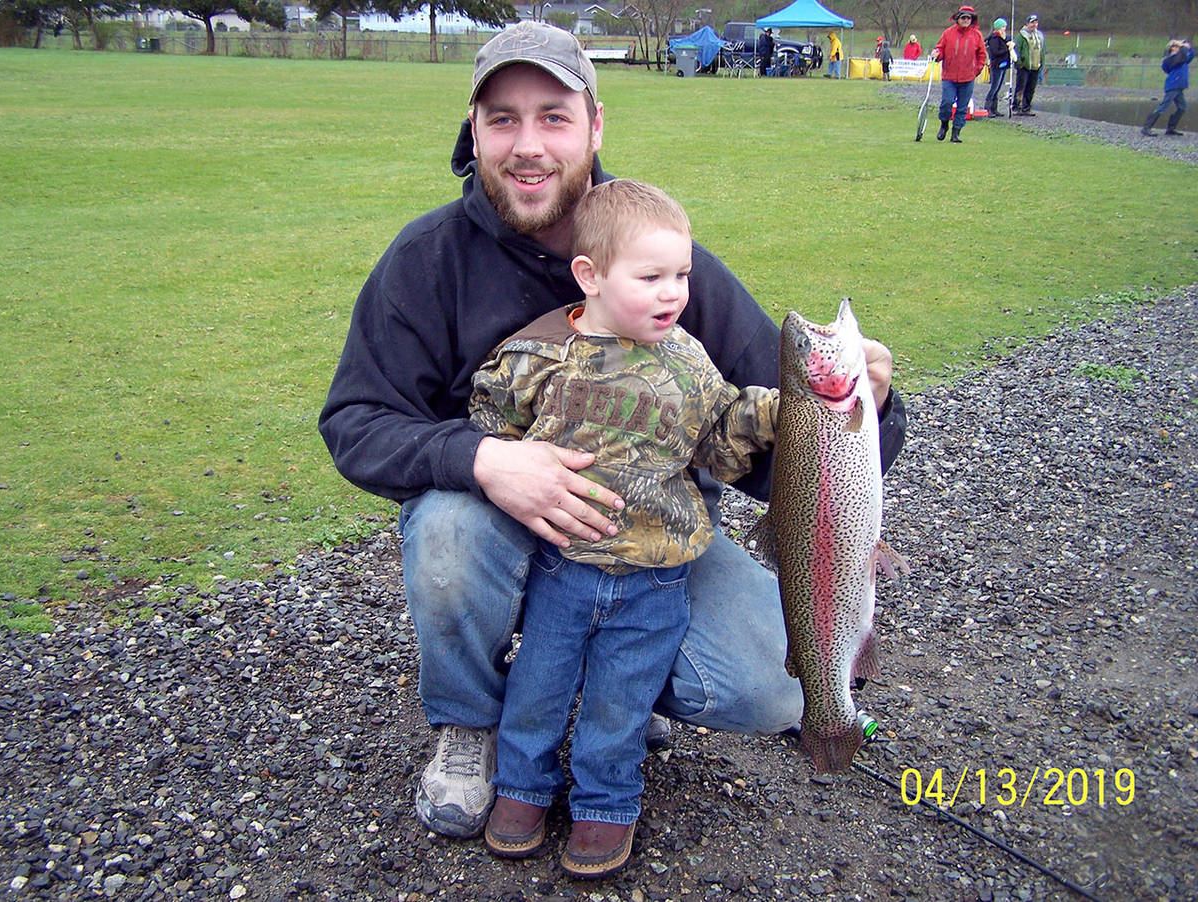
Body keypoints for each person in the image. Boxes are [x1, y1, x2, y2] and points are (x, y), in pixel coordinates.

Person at [318, 20, 907, 844]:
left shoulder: (662, 258)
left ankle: (621, 689)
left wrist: (862, 416)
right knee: (447, 535)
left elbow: (781, 458)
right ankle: (470, 724)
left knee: (774, 688)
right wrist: (485, 458)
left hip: (650, 550)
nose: (528, 145)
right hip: (501, 525)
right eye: (503, 119)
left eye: (553, 116)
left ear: (596, 125)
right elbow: (354, 422)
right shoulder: (426, 262)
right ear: (474, 131)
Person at [473, 178, 780, 878]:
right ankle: (522, 787)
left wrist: (770, 415)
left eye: (682, 275)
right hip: (564, 567)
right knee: (539, 686)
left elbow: (721, 445)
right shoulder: (540, 357)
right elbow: (490, 421)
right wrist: (505, 463)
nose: (673, 292)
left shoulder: (692, 363)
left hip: (657, 577)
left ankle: (606, 806)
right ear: (591, 276)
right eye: (651, 277)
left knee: (623, 697)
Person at [931, 5, 987, 143]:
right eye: (963, 17)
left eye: (969, 18)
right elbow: (940, 49)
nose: (966, 20)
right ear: (958, 18)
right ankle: (944, 124)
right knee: (946, 103)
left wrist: (977, 69)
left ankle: (956, 133)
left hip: (968, 77)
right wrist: (936, 54)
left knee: (962, 107)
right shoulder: (948, 33)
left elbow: (982, 55)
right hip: (949, 76)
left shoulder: (977, 35)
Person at [1141, 39, 1195, 137]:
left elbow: (1190, 56)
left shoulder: (1181, 56)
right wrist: (1182, 46)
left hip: (1179, 87)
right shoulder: (1171, 59)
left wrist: (1189, 47)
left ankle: (1171, 129)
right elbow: (1181, 58)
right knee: (1163, 106)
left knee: (1182, 108)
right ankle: (1146, 127)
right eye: (1177, 46)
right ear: (1172, 48)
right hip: (1173, 85)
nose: (1179, 48)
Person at [1013, 14, 1044, 116]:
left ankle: (1026, 107)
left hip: (1035, 66)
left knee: (1031, 88)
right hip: (1024, 67)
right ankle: (1016, 107)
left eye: (1035, 22)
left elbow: (1042, 50)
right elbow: (1015, 50)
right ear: (1027, 23)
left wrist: (1042, 63)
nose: (1034, 25)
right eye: (1032, 22)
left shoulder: (1039, 36)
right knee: (1021, 87)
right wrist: (1019, 64)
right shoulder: (1021, 36)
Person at [984, 18, 1014, 117]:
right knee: (994, 87)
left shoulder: (1005, 37)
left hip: (1004, 65)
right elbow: (996, 51)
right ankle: (987, 108)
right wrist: (1007, 48)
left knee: (998, 87)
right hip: (996, 65)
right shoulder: (994, 38)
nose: (1004, 29)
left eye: (1005, 27)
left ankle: (994, 108)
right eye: (1002, 27)